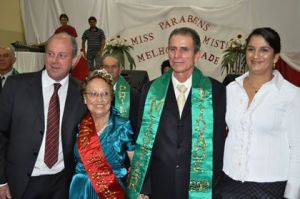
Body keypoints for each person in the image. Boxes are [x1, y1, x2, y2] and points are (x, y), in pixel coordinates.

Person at [128, 27, 226, 199]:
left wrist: (215, 190)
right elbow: (143, 141)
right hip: (160, 186)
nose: (176, 55)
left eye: (184, 49)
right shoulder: (151, 90)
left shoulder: (215, 91)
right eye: (172, 49)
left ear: (197, 55)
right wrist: (143, 186)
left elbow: (218, 145)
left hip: (197, 185)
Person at [0, 32, 86, 199]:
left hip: (62, 183)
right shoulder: (16, 87)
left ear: (74, 60)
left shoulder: (82, 93)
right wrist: (1, 180)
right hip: (20, 182)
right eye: (50, 54)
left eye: (62, 55)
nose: (54, 61)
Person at [222, 27, 300, 199]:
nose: (256, 56)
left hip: (270, 187)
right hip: (229, 182)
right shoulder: (231, 90)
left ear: (276, 57)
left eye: (264, 50)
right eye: (251, 49)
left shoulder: (291, 94)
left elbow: (298, 149)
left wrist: (292, 194)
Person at [69, 69, 135, 198]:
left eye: (105, 93)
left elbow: (137, 166)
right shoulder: (77, 125)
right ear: (84, 98)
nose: (100, 99)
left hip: (111, 192)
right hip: (81, 192)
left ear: (111, 97)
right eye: (93, 94)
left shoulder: (123, 126)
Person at [101, 53, 140, 137]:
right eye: (106, 67)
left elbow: (136, 126)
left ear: (120, 69)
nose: (109, 70)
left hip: (123, 144)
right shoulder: (92, 93)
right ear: (101, 69)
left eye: (113, 66)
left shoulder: (133, 96)